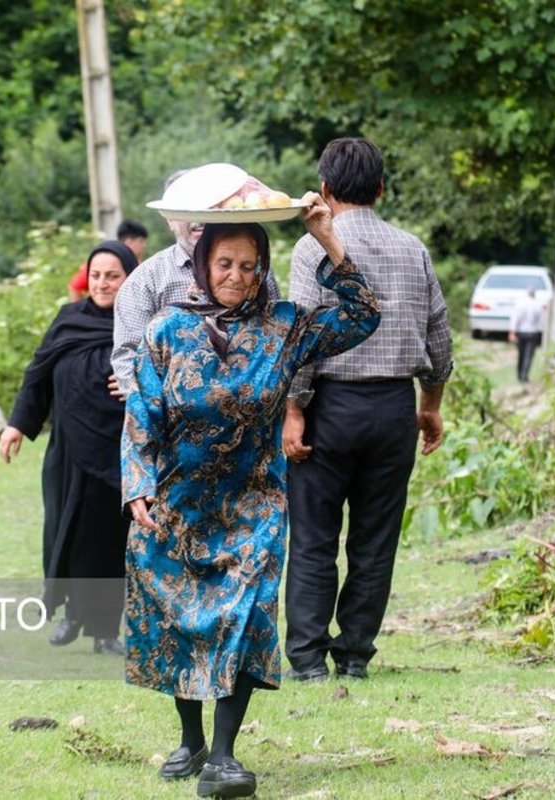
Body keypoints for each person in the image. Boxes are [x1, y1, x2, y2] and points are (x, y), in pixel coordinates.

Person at [121, 197, 380, 799]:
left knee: (244, 616)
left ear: (263, 268)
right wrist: (138, 486)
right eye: (225, 263)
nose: (237, 276)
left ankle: (225, 755)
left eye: (249, 264)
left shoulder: (285, 327)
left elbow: (363, 315)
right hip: (175, 503)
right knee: (179, 619)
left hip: (253, 502)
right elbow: (142, 415)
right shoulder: (167, 330)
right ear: (202, 264)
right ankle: (190, 738)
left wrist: (326, 237)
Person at [282, 137, 454, 682]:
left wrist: (294, 410)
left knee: (313, 535)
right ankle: (354, 654)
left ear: (326, 189)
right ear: (381, 188)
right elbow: (439, 338)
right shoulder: (413, 248)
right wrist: (430, 405)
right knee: (374, 540)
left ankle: (308, 658)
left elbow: (304, 335)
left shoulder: (312, 247)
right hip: (391, 409)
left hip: (329, 405)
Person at [0, 240, 139, 655]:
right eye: (96, 275)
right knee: (66, 532)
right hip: (66, 452)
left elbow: (165, 374)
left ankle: (105, 631)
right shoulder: (68, 319)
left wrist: (138, 381)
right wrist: (17, 426)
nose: (103, 283)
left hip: (114, 451)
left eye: (113, 276)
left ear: (129, 278)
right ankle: (72, 614)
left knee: (108, 540)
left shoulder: (139, 324)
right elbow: (37, 374)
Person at [110, 169, 281, 400]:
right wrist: (155, 409)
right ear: (169, 218)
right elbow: (128, 355)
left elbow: (277, 334)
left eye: (207, 205)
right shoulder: (146, 280)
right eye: (188, 207)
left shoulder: (256, 270)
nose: (199, 216)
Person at [67, 220, 150, 302]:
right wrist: (79, 313)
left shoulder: (141, 264)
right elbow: (75, 287)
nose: (144, 246)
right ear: (129, 241)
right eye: (141, 241)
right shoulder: (103, 263)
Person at [510, 283, 545, 384]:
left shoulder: (520, 304)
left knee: (521, 354)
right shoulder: (538, 305)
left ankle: (519, 375)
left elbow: (515, 319)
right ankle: (525, 375)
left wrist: (512, 332)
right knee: (528, 355)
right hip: (532, 332)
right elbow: (541, 321)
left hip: (521, 332)